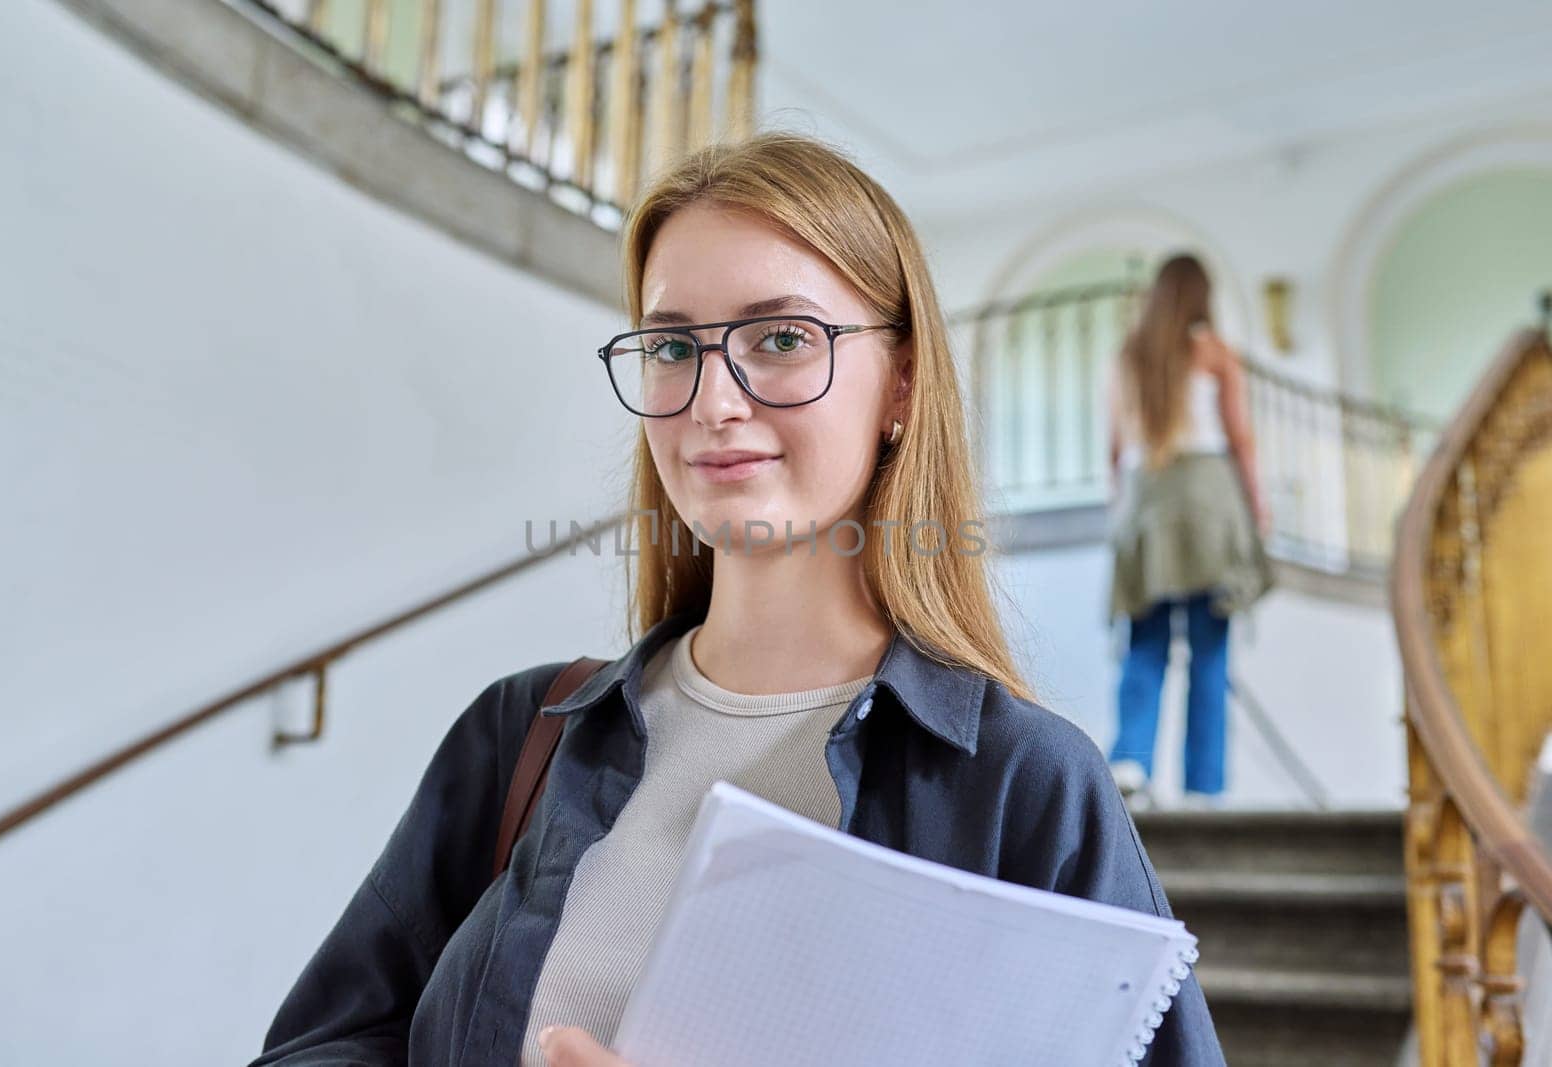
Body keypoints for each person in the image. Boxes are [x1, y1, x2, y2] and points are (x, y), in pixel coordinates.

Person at [249, 134, 1225, 1067]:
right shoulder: (520, 733)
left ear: (901, 382)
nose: (713, 398)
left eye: (783, 336)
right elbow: (317, 1042)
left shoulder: (1025, 786)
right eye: (672, 348)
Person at [1105, 253, 1274, 809]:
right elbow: (1241, 440)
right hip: (1207, 501)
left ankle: (1131, 765)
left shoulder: (1130, 355)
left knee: (1145, 645)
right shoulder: (1215, 353)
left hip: (1145, 501)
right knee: (1210, 652)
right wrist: (1258, 508)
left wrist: (1122, 514)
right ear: (1203, 295)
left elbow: (1114, 449)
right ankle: (1205, 789)